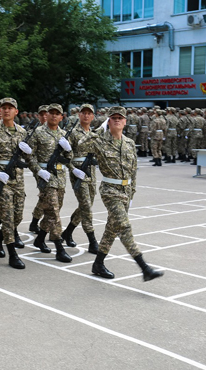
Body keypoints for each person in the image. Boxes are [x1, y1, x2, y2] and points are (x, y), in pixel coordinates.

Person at [78, 106, 163, 281]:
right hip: (110, 190)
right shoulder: (100, 140)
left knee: (112, 228)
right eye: (113, 118)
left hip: (126, 191)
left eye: (120, 118)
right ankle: (144, 268)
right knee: (124, 226)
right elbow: (81, 145)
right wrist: (97, 130)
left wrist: (131, 194)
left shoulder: (130, 143)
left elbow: (133, 172)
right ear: (108, 121)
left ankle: (98, 264)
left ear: (125, 122)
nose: (117, 120)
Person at [0, 97, 30, 269]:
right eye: (4, 108)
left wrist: (28, 154)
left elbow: (28, 157)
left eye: (11, 108)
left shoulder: (22, 132)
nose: (7, 110)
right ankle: (12, 254)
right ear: (0, 111)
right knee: (8, 217)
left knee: (18, 216)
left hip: (18, 179)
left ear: (16, 111)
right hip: (2, 179)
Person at [28, 103, 73, 263]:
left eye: (57, 114)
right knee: (54, 212)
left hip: (60, 177)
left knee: (51, 211)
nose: (54, 116)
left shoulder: (64, 134)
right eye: (51, 113)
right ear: (46, 115)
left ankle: (40, 238)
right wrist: (38, 170)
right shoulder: (38, 133)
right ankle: (59, 248)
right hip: (45, 178)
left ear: (61, 117)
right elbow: (29, 155)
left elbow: (69, 159)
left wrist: (68, 150)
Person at [60, 103, 99, 254]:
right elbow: (64, 155)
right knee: (86, 206)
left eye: (89, 113)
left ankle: (68, 232)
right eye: (84, 113)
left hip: (90, 172)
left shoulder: (94, 133)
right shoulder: (72, 133)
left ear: (93, 116)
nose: (86, 115)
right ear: (79, 115)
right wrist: (72, 169)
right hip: (77, 171)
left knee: (86, 205)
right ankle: (92, 241)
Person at [28, 105, 49, 234]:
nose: (44, 117)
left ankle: (35, 222)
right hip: (40, 168)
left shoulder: (56, 130)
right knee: (47, 197)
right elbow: (30, 154)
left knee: (46, 198)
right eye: (41, 114)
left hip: (54, 169)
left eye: (46, 114)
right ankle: (40, 225)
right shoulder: (34, 131)